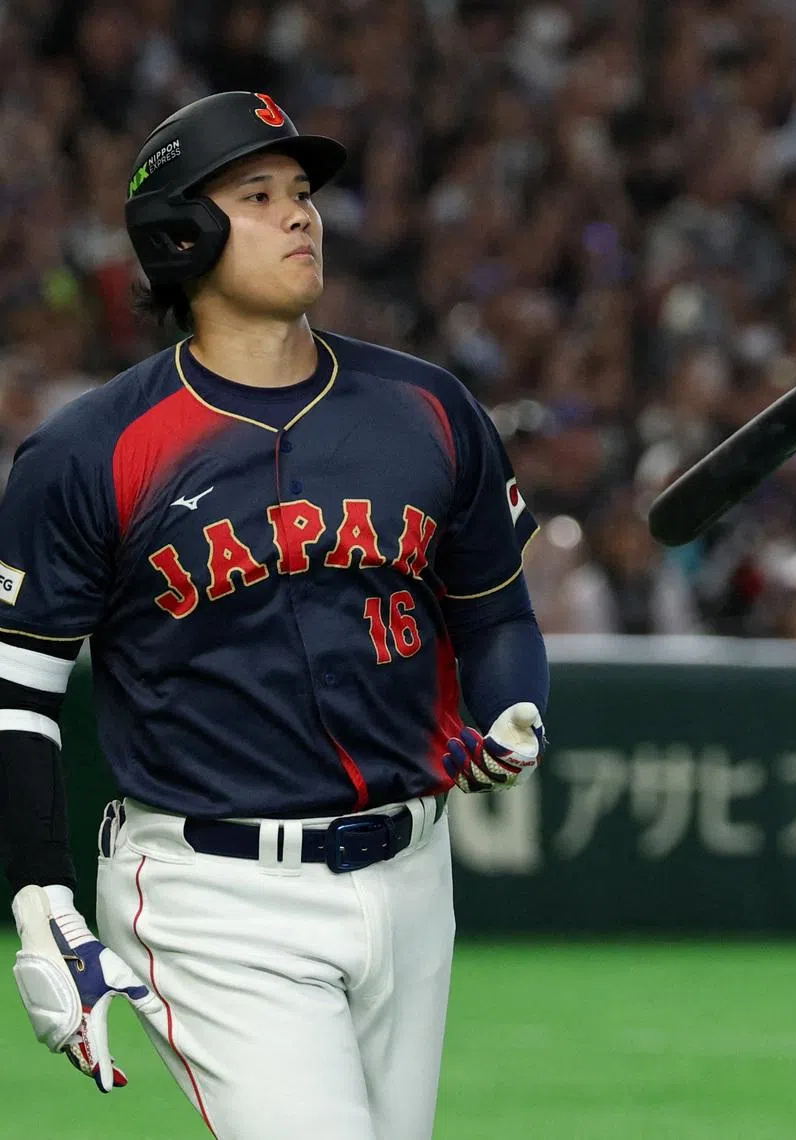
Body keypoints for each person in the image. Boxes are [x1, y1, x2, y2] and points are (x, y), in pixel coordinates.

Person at [2, 91, 548, 1140]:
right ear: (180, 235)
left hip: (410, 872)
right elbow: (15, 700)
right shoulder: (91, 452)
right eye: (258, 195)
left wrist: (516, 709)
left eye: (302, 193)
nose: (301, 215)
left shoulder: (427, 409)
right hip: (215, 896)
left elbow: (497, 619)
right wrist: (41, 902)